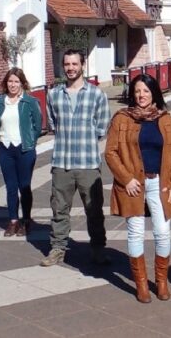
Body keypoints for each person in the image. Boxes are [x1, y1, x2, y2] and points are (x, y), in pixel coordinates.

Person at [105, 74, 171, 303]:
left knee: (162, 232)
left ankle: (162, 281)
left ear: (154, 92)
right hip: (133, 184)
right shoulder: (122, 118)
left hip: (159, 182)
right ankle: (141, 285)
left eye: (146, 91)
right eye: (137, 91)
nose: (141, 95)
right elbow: (110, 152)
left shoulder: (165, 118)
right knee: (136, 232)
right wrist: (126, 179)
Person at [40, 49, 111, 267]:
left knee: (94, 210)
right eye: (67, 64)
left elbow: (102, 126)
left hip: (88, 163)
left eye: (74, 64)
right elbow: (53, 123)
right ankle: (58, 248)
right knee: (59, 209)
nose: (71, 68)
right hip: (62, 162)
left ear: (83, 65)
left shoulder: (96, 94)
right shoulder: (54, 95)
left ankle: (98, 248)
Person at [0, 68, 42, 237]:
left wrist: (30, 142)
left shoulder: (30, 102)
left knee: (24, 186)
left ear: (22, 83)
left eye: (16, 82)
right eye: (10, 81)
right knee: (11, 187)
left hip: (24, 149)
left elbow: (38, 124)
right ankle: (13, 221)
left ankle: (26, 220)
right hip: (5, 149)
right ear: (6, 83)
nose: (12, 85)